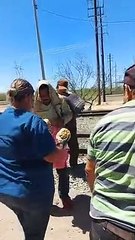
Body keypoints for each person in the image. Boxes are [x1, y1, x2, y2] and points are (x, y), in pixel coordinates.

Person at [0, 78, 65, 240]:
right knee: (34, 235)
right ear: (29, 97)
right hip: (31, 194)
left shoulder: (2, 118)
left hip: (5, 190)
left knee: (26, 223)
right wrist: (61, 146)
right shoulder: (34, 122)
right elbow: (51, 156)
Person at [85, 65, 135, 240]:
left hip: (105, 220)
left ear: (127, 89)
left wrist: (96, 195)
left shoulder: (104, 123)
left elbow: (90, 169)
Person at [34, 80, 73, 209]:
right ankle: (46, 200)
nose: (44, 99)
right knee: (44, 173)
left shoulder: (60, 102)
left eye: (47, 96)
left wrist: (61, 120)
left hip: (59, 139)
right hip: (42, 141)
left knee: (62, 170)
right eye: (42, 96)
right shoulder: (34, 106)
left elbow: (69, 114)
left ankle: (64, 196)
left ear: (51, 93)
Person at [56, 79, 79, 167]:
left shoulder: (60, 98)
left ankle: (69, 164)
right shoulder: (71, 96)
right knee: (70, 145)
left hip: (66, 124)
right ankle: (67, 164)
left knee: (68, 145)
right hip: (66, 124)